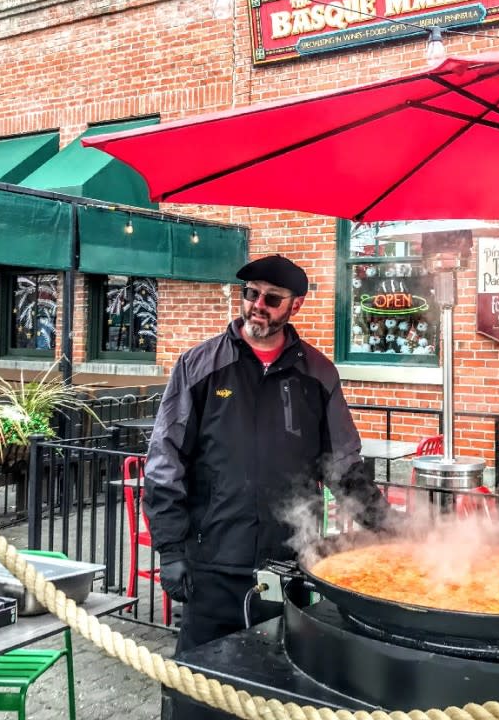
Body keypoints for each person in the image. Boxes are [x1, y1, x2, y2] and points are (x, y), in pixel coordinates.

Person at [145, 254, 394, 716]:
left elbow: (343, 466)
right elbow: (165, 462)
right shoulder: (198, 366)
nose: (258, 305)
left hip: (288, 568)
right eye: (251, 293)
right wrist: (171, 550)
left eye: (271, 298)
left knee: (278, 697)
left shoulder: (318, 375)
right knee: (197, 696)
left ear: (294, 307)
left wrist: (390, 528)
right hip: (212, 565)